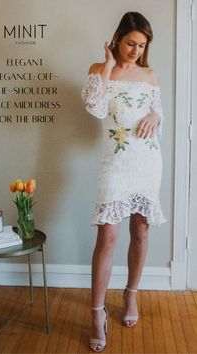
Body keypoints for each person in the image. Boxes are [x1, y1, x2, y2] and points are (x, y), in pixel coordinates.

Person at [81, 11, 166, 352]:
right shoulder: (97, 70)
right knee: (108, 235)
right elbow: (93, 106)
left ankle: (131, 295)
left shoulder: (150, 75)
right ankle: (96, 312)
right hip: (115, 164)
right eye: (131, 43)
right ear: (117, 38)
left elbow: (159, 114)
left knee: (141, 229)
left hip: (147, 161)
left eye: (141, 45)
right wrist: (105, 64)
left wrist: (155, 115)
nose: (135, 50)